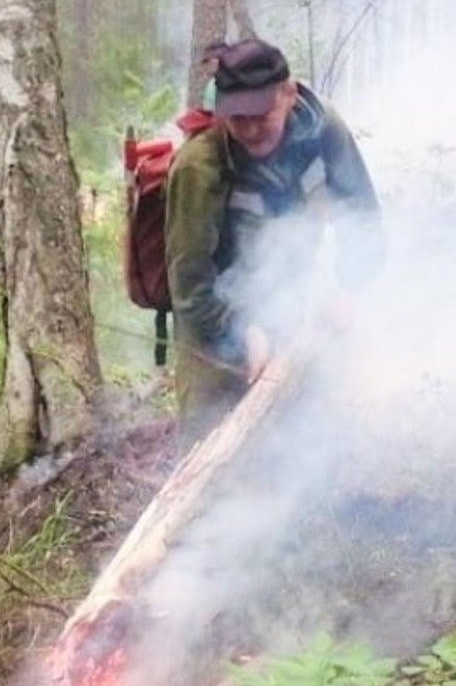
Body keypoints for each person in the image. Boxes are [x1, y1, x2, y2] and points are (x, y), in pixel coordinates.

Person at [163, 38, 383, 435]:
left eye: (259, 115)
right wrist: (242, 330)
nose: (248, 129)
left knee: (298, 430)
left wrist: (349, 286)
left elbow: (363, 216)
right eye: (237, 118)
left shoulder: (324, 130)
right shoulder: (199, 167)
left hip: (290, 302)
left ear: (289, 94)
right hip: (210, 315)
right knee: (210, 438)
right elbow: (189, 283)